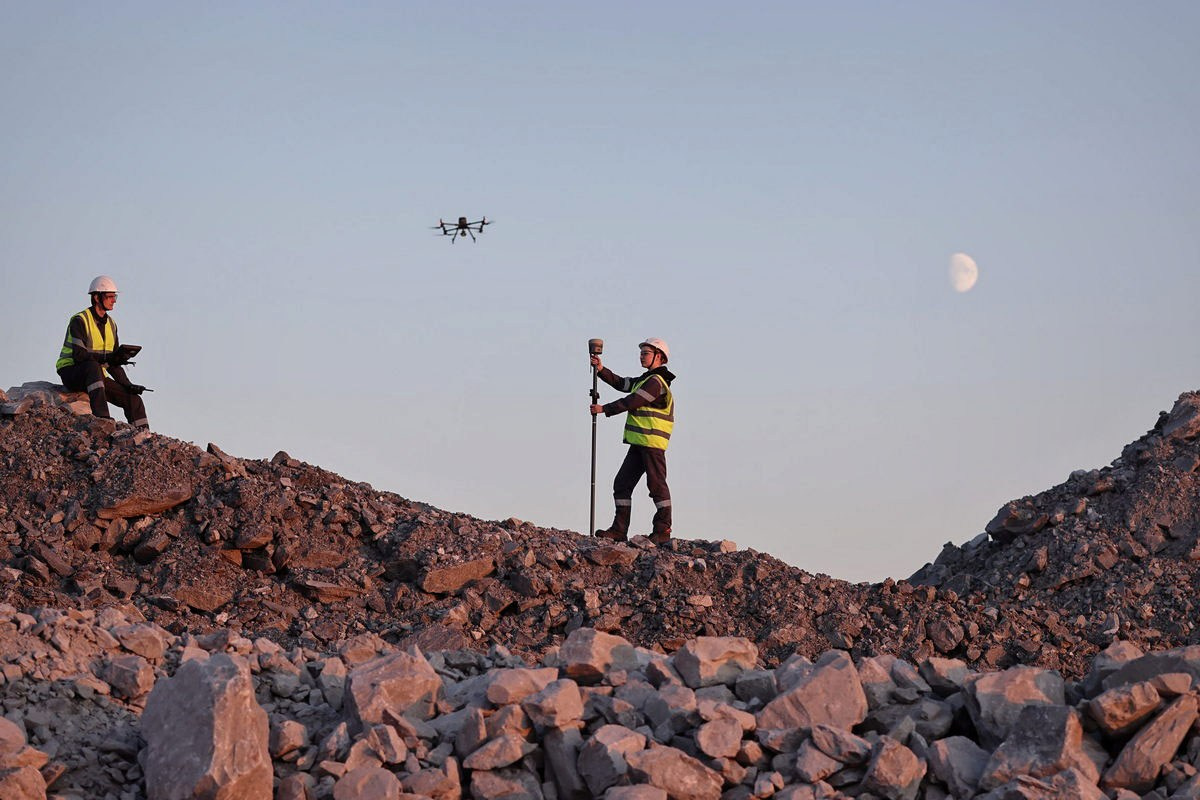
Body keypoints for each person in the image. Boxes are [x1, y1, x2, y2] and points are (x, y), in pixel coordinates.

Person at [589, 337, 676, 544]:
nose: (641, 356)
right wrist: (601, 370)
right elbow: (623, 384)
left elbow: (633, 400)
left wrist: (605, 409)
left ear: (659, 357)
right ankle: (619, 530)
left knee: (656, 485)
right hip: (640, 442)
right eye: (641, 353)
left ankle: (663, 530)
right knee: (622, 483)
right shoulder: (646, 380)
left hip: (652, 443)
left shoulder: (656, 382)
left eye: (646, 353)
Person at [55, 276, 149, 429]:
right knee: (93, 367)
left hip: (96, 377)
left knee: (134, 399)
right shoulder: (80, 320)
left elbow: (113, 363)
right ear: (97, 297)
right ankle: (103, 420)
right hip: (72, 372)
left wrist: (128, 385)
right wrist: (108, 358)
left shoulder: (112, 325)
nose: (114, 300)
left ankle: (145, 438)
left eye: (115, 296)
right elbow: (79, 356)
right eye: (110, 296)